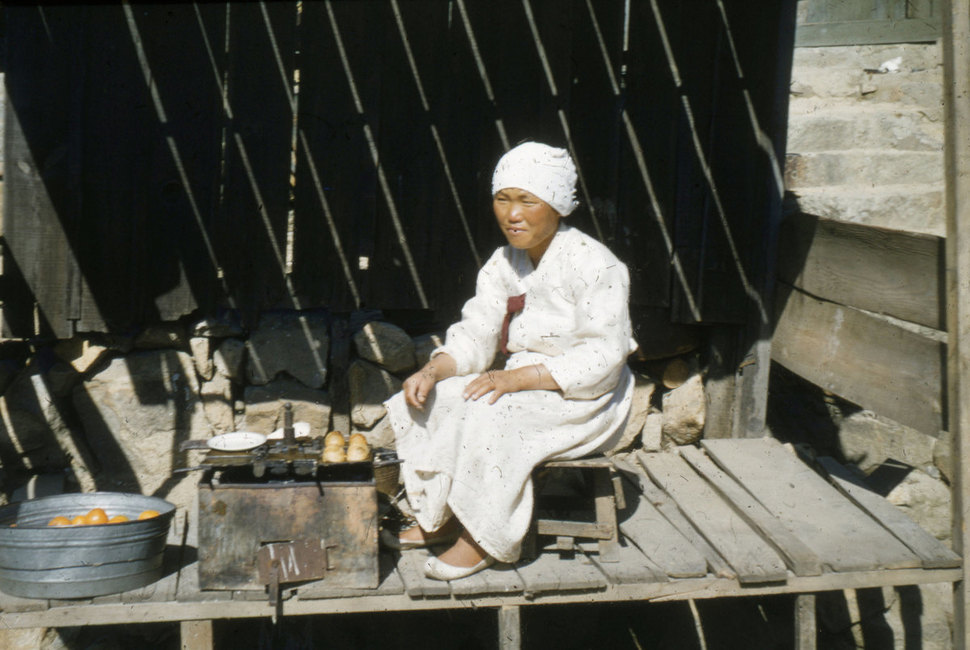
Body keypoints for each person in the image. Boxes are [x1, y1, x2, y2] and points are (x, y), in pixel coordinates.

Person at [382, 141, 638, 580]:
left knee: (493, 413)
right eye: (503, 199)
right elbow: (477, 332)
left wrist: (522, 378)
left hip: (583, 395)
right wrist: (433, 369)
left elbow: (604, 353)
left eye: (527, 201)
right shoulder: (503, 262)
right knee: (439, 397)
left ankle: (485, 537)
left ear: (557, 206)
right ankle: (441, 516)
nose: (512, 214)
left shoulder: (596, 264)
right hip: (522, 378)